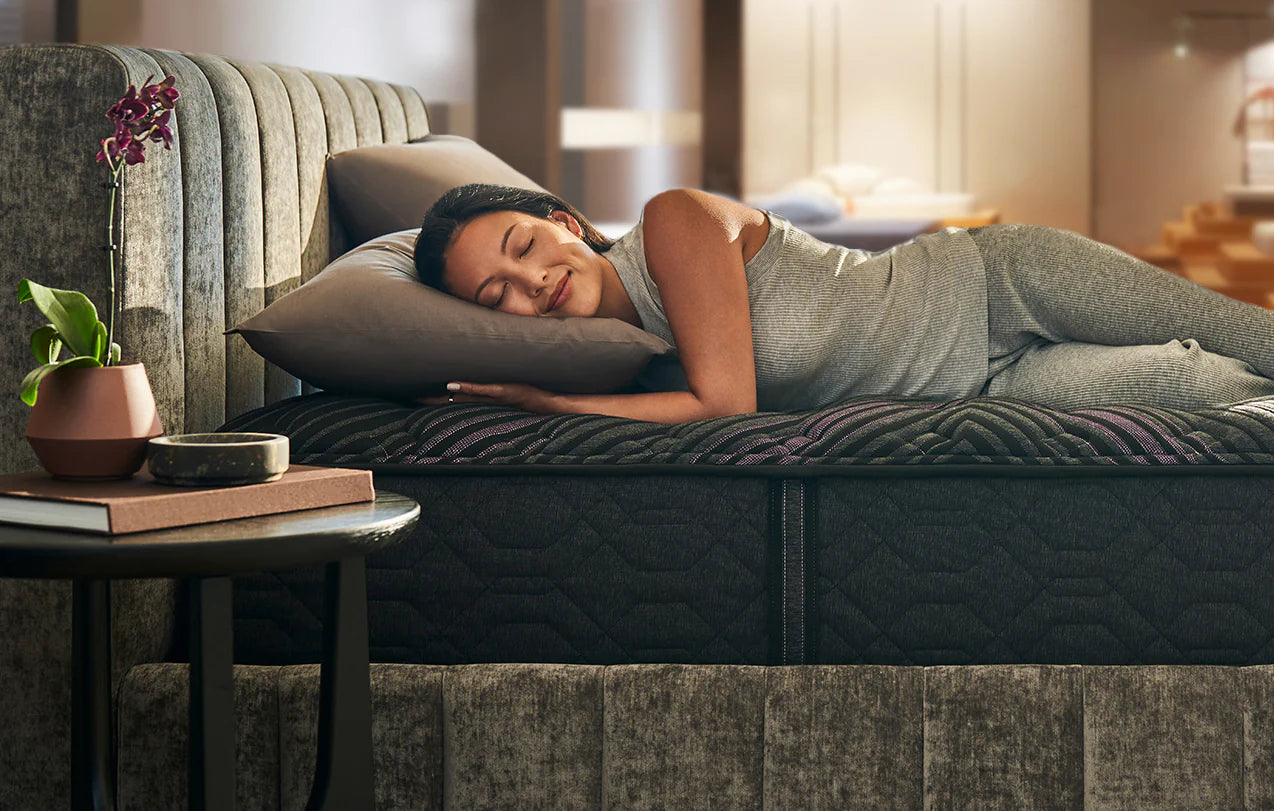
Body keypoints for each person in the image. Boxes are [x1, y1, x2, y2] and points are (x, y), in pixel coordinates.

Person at [413, 182, 1274, 423]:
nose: (533, 284)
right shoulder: (621, 363)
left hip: (992, 283)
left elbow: (728, 403)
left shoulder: (668, 224)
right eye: (499, 296)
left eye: (524, 248)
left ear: (563, 222)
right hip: (978, 392)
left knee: (1252, 338)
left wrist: (548, 402)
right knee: (1199, 392)